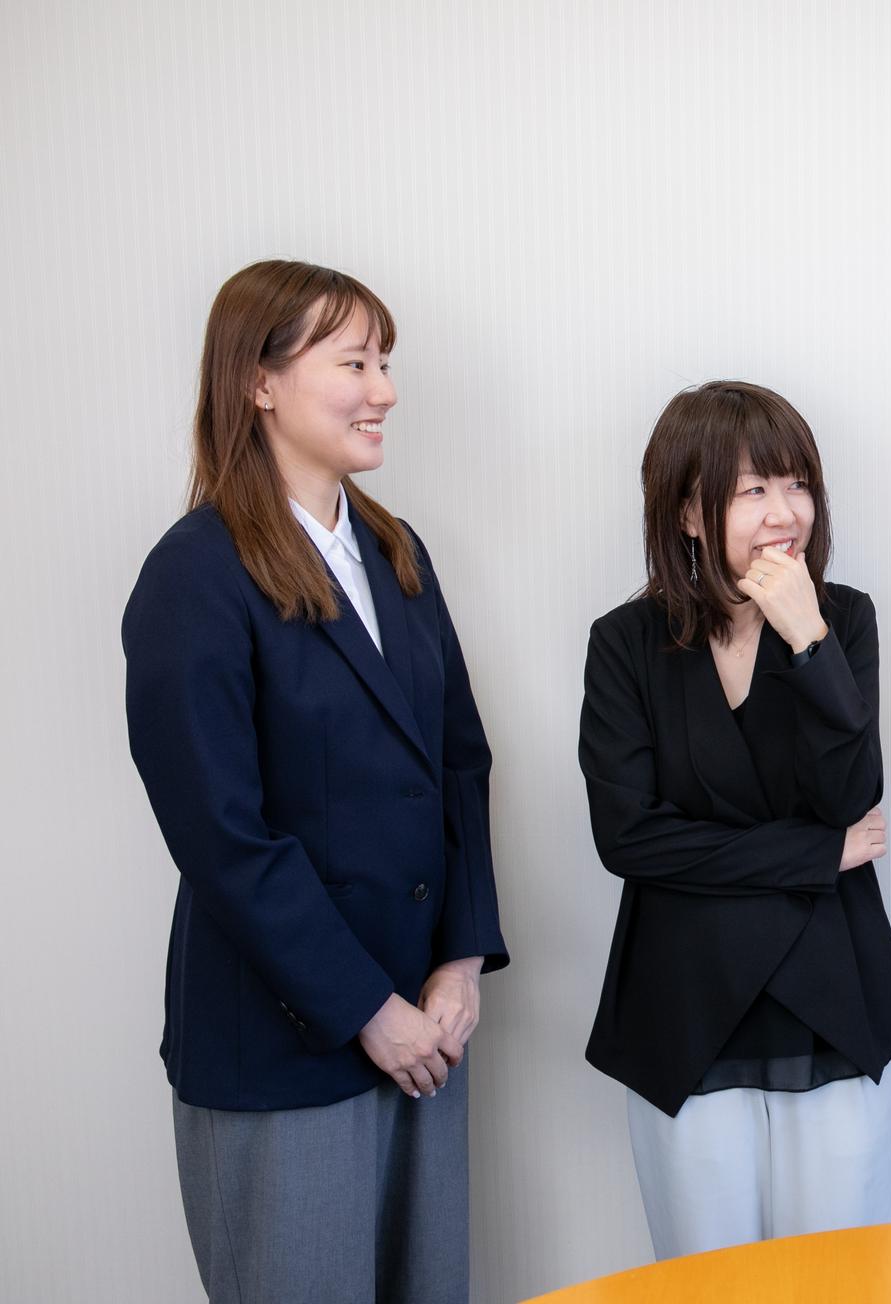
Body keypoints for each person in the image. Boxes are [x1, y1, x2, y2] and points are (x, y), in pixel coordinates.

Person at [122, 260, 507, 1304]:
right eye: (355, 363)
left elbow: (459, 765)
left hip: (425, 1029)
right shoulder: (194, 574)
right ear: (258, 381)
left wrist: (460, 964)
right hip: (287, 1041)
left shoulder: (395, 549)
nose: (384, 390)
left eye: (385, 363)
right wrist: (367, 1009)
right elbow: (223, 836)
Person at [579, 380, 891, 1259]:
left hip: (831, 992)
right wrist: (817, 855)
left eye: (797, 485)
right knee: (704, 1278)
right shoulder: (625, 643)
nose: (784, 512)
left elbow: (852, 795)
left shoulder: (844, 620)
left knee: (839, 1277)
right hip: (685, 1001)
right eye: (753, 489)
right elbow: (629, 838)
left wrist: (808, 640)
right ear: (690, 511)